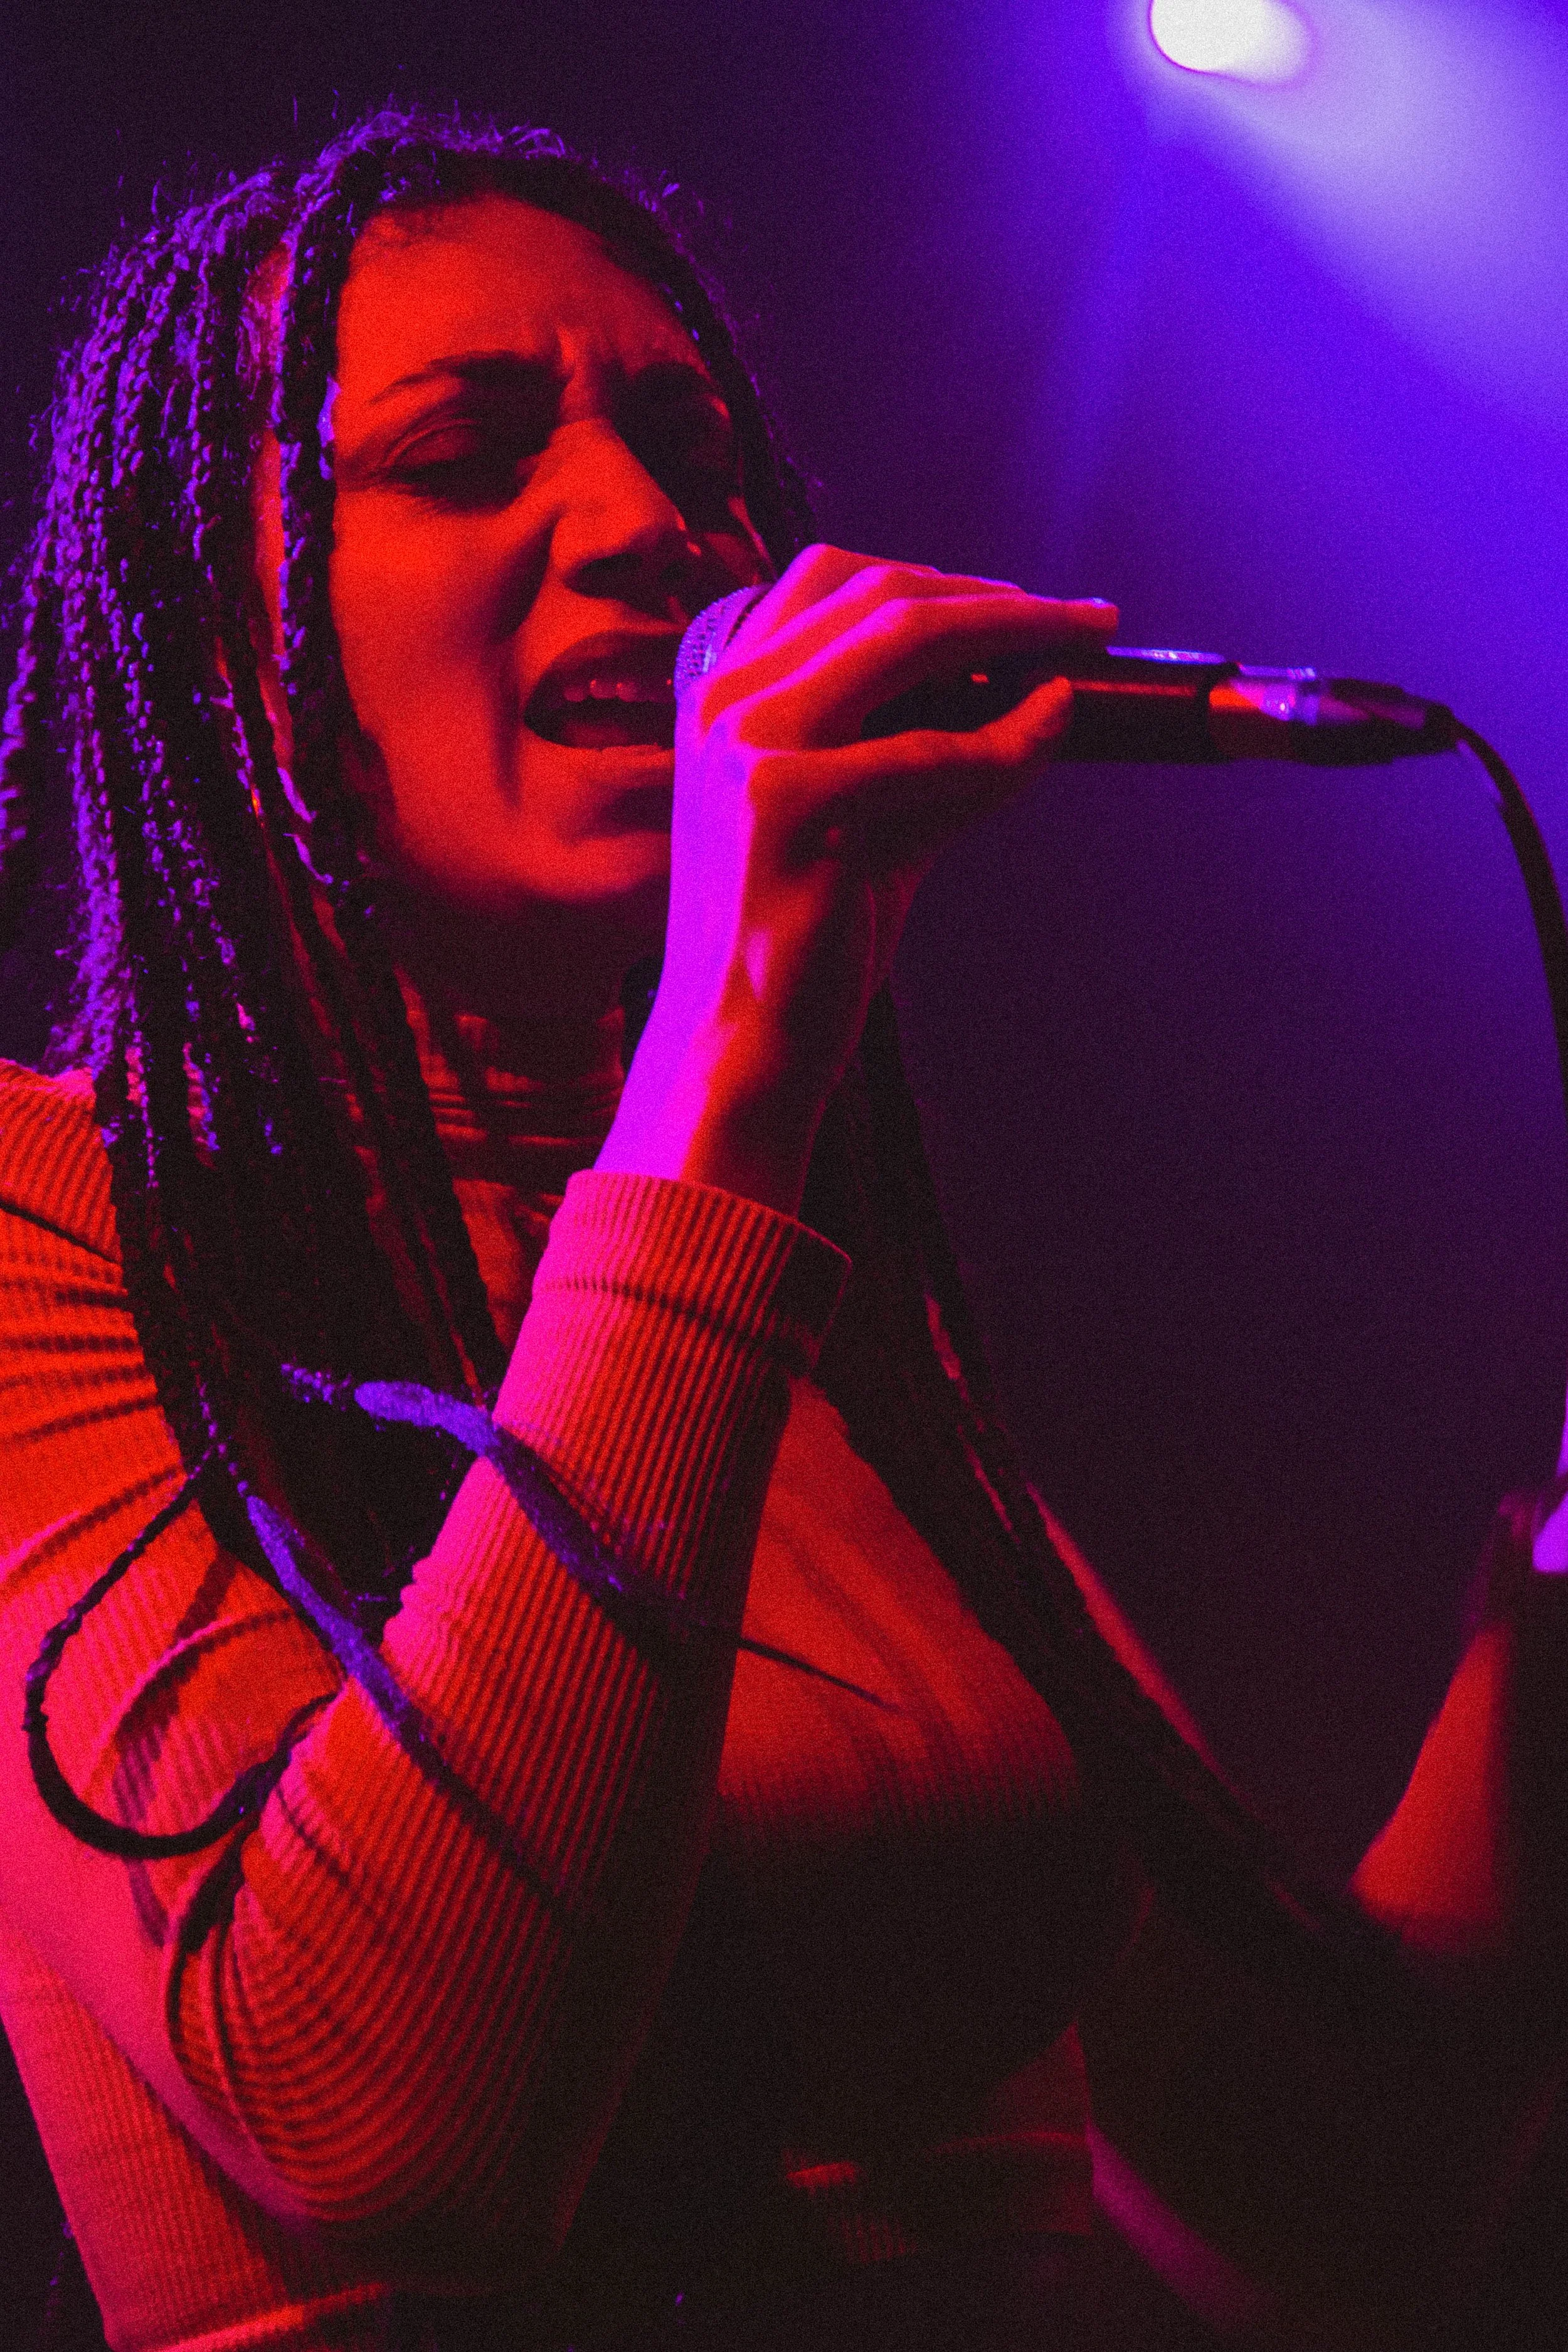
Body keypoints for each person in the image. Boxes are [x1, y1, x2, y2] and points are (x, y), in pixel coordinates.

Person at [0, 106, 1561, 2352]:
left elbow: (1304, 2215)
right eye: (464, 454)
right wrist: (746, 1022)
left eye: (690, 447)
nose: (656, 529)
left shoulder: (794, 1298)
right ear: (222, 639)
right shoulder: (72, 1218)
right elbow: (381, 2132)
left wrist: (1554, 1615)